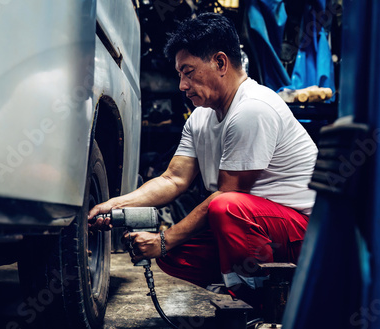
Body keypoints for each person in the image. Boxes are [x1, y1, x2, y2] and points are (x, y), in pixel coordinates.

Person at [88, 12, 318, 307]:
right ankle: (247, 287)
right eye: (180, 74)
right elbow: (174, 179)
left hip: (305, 235)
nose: (182, 85)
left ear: (220, 63)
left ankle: (262, 303)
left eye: (188, 71)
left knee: (224, 207)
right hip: (263, 229)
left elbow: (228, 196)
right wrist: (113, 204)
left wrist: (163, 239)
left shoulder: (253, 108)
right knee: (172, 254)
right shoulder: (200, 117)